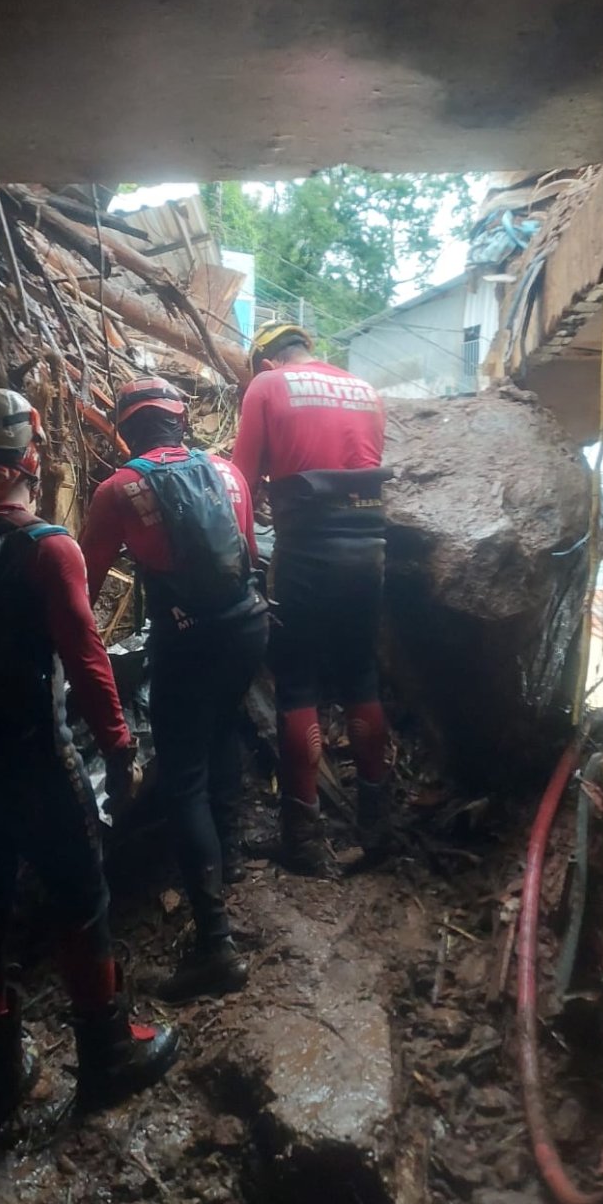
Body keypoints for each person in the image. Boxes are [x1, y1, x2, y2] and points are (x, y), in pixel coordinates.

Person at [0, 389, 178, 1147]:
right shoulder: (48, 546)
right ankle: (106, 1050)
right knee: (79, 896)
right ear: (30, 456)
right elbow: (88, 660)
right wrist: (121, 745)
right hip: (35, 752)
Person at [80, 376, 268, 1003]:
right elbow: (243, 551)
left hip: (185, 641)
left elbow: (84, 584)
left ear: (126, 430)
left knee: (182, 773)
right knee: (224, 732)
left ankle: (215, 944)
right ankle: (231, 857)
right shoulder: (229, 474)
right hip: (247, 627)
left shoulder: (116, 491)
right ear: (179, 421)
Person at [231, 322, 390, 877]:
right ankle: (375, 821)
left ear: (266, 361)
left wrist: (247, 560)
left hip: (308, 554)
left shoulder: (268, 388)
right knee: (361, 677)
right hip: (370, 549)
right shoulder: (364, 390)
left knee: (298, 685)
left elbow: (240, 484)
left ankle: (304, 837)